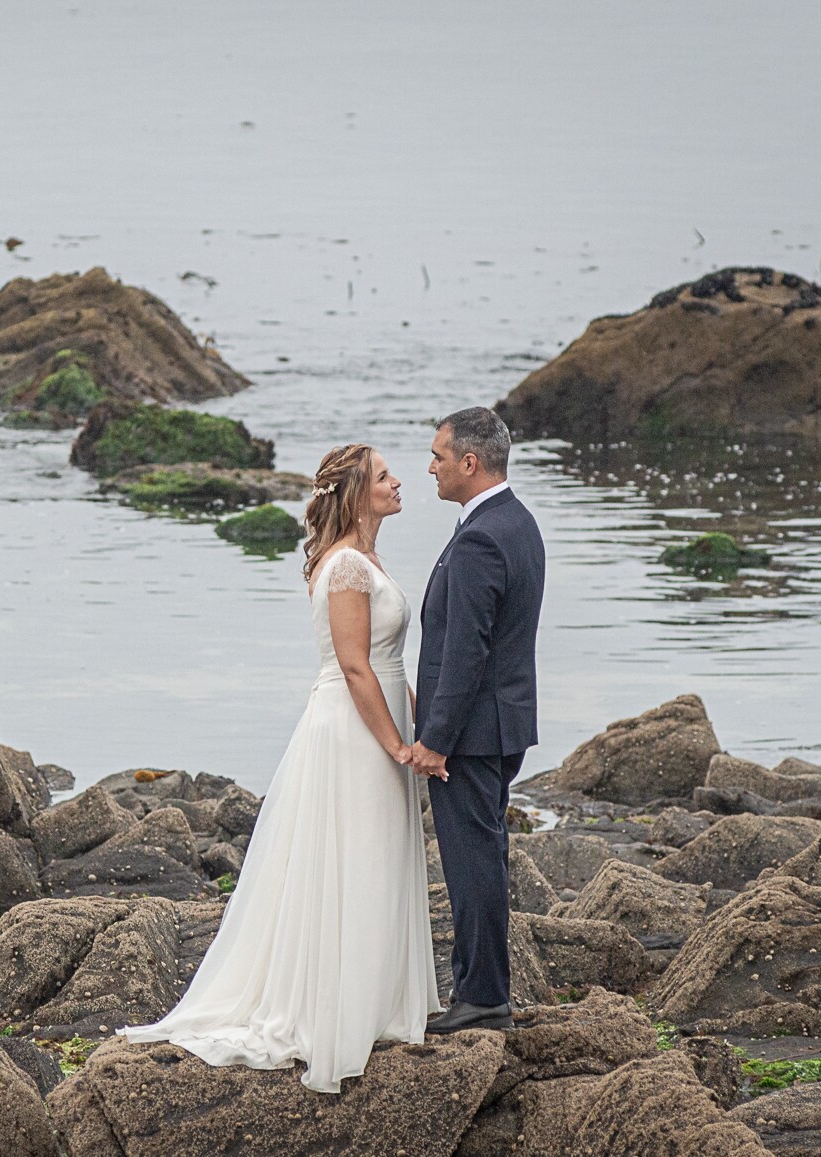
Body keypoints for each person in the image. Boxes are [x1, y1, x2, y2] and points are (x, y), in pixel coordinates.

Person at [124, 443, 441, 1093]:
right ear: (356, 493)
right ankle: (336, 1009)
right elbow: (354, 665)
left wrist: (420, 724)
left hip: (376, 717)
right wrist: (396, 744)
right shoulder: (348, 565)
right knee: (353, 858)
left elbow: (386, 661)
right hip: (353, 730)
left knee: (376, 856)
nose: (398, 481)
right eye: (384, 476)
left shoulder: (365, 557)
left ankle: (375, 999)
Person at [410, 407, 545, 1034]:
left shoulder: (482, 538)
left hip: (472, 735)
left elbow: (467, 650)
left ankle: (485, 996)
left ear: (470, 462)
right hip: (501, 723)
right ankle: (479, 987)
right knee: (483, 857)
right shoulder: (516, 522)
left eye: (438, 456)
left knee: (473, 864)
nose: (430, 467)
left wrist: (435, 740)